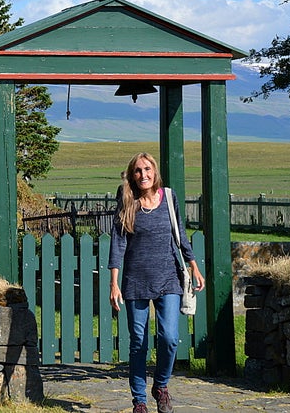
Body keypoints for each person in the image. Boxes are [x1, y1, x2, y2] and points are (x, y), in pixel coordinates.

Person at [108, 152, 205, 413]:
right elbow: (118, 243)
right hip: (135, 280)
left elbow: (180, 234)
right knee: (138, 342)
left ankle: (161, 386)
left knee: (170, 338)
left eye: (147, 169)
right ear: (132, 174)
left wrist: (194, 266)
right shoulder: (127, 201)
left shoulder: (169, 198)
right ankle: (139, 401)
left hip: (168, 278)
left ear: (155, 171)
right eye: (138, 170)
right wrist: (114, 283)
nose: (143, 175)